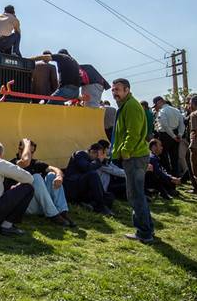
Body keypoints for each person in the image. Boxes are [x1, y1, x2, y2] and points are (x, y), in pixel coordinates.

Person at [111, 78, 154, 243]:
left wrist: (125, 151)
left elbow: (133, 133)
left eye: (118, 90)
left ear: (127, 90)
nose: (115, 93)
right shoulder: (126, 105)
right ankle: (147, 229)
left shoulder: (131, 106)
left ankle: (144, 233)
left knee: (135, 196)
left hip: (134, 156)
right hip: (134, 156)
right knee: (137, 195)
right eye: (113, 90)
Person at [11, 140, 75, 227]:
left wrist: (59, 176)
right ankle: (53, 214)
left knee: (52, 175)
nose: (28, 153)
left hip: (41, 204)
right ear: (19, 150)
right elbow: (25, 163)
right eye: (26, 150)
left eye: (31, 152)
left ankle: (62, 212)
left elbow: (55, 169)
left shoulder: (35, 163)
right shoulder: (13, 163)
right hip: (26, 204)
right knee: (36, 177)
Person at [63, 143, 114, 216]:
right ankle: (100, 206)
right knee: (93, 174)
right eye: (98, 155)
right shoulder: (80, 154)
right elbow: (87, 168)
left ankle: (90, 205)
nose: (98, 158)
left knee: (109, 196)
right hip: (72, 187)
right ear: (92, 152)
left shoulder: (91, 160)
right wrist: (99, 161)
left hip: (82, 188)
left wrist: (103, 161)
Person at [152, 96, 185, 177]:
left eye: (156, 104)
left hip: (165, 135)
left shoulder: (162, 111)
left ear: (160, 102)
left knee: (164, 157)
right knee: (175, 157)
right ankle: (176, 176)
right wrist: (179, 134)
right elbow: (182, 124)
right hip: (176, 134)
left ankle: (168, 176)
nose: (156, 107)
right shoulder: (176, 110)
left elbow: (165, 125)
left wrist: (173, 136)